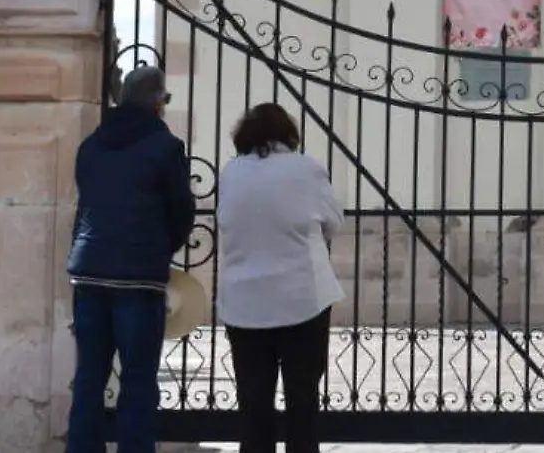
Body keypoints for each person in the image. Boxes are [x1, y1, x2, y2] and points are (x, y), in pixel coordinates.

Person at [65, 65, 194, 453]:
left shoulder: (91, 144)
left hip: (89, 273)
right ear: (158, 102)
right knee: (138, 380)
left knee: (89, 376)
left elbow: (85, 204)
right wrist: (160, 248)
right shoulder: (165, 147)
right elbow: (181, 211)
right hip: (139, 279)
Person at [217, 103, 345, 453]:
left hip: (244, 304)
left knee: (253, 404)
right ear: (288, 133)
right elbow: (335, 222)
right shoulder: (307, 170)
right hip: (302, 299)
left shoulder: (231, 172)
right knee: (302, 401)